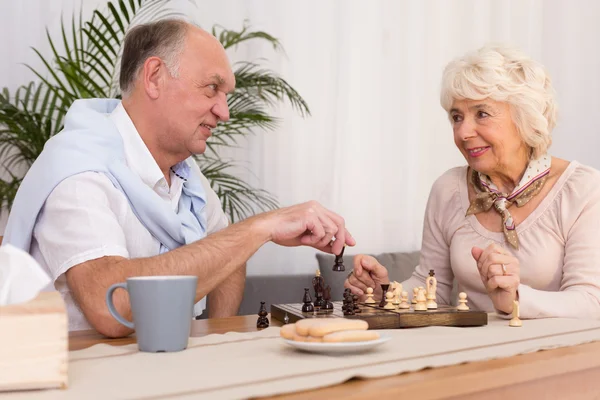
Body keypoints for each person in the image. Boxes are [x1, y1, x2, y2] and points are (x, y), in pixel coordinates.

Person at [2, 19, 355, 336]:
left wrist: (214, 339)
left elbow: (225, 255)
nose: (225, 112)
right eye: (212, 88)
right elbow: (114, 310)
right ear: (154, 77)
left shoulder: (188, 177)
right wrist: (259, 228)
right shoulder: (77, 172)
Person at [345, 44, 600, 320]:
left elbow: (590, 301)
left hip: (556, 357)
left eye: (482, 113)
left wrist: (514, 299)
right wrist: (384, 294)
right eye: (457, 117)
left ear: (524, 117)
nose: (463, 132)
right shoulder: (448, 189)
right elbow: (433, 288)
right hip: (471, 356)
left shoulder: (582, 189)